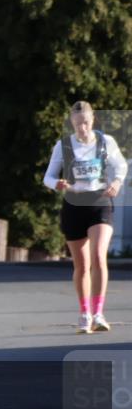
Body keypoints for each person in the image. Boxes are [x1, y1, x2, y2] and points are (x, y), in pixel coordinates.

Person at [42, 101, 127, 333]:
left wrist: (117, 182)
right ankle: (85, 313)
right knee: (82, 264)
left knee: (99, 256)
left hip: (99, 202)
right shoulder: (63, 146)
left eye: (87, 123)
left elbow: (120, 166)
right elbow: (47, 177)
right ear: (72, 123)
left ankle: (99, 313)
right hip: (73, 204)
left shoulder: (105, 142)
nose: (83, 128)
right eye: (78, 124)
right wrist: (57, 184)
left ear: (93, 121)